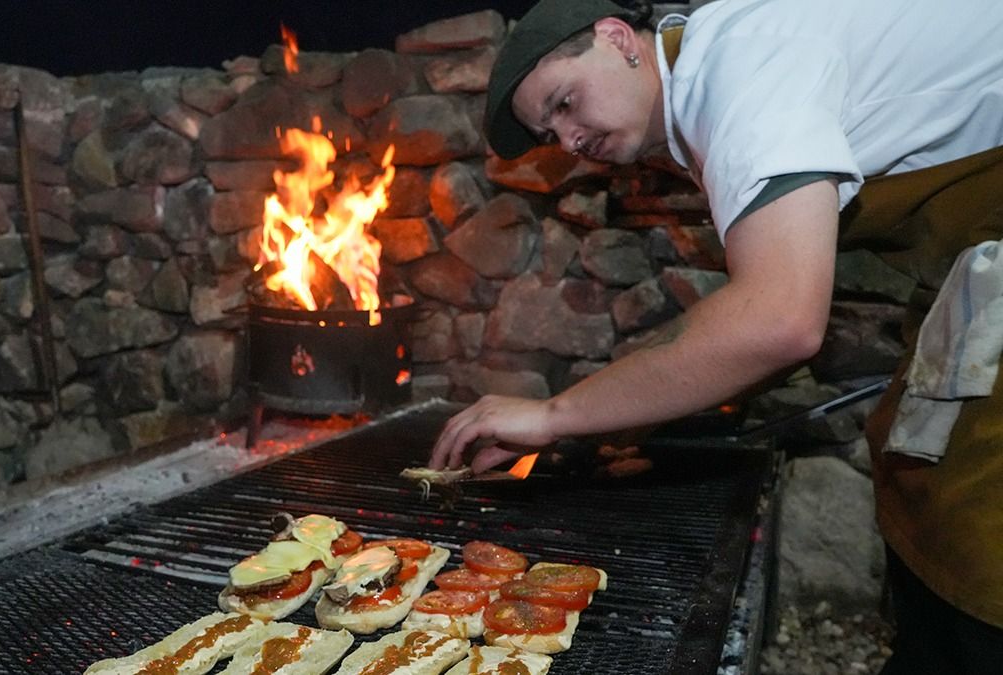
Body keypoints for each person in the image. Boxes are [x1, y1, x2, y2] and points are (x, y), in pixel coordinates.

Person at [426, 0, 1003, 672]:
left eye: (565, 102)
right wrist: (619, 416)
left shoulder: (740, 78)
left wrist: (556, 413)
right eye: (550, 131)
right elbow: (753, 336)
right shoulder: (717, 77)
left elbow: (779, 319)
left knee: (979, 526)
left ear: (617, 40)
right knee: (917, 467)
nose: (568, 139)